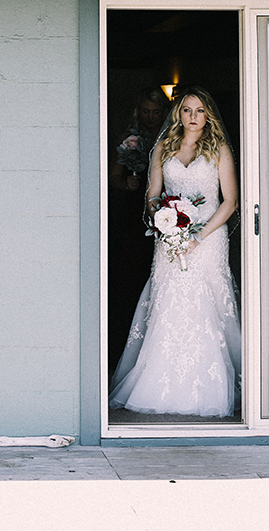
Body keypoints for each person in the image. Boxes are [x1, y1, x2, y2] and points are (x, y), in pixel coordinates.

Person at [108, 86, 241, 417]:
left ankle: (211, 387)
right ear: (178, 114)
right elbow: (152, 196)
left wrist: (198, 236)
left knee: (205, 307)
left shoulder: (219, 148)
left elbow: (230, 201)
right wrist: (166, 222)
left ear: (207, 114)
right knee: (170, 305)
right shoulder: (163, 148)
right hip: (170, 241)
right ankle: (160, 384)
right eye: (186, 110)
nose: (192, 117)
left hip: (208, 241)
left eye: (198, 111)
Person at [105, 87, 169, 366]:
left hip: (168, 208)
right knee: (132, 270)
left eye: (156, 112)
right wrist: (125, 183)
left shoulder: (170, 138)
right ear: (138, 110)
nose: (151, 117)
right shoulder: (129, 139)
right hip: (135, 210)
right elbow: (112, 178)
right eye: (146, 111)